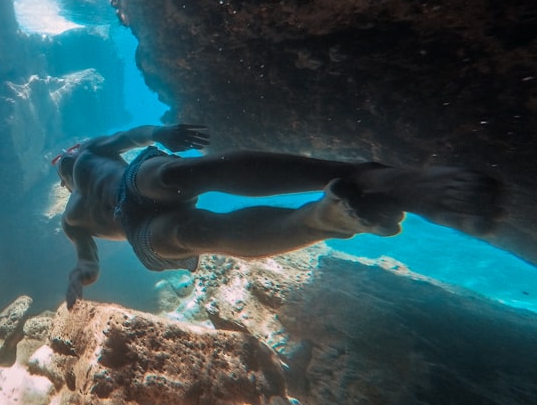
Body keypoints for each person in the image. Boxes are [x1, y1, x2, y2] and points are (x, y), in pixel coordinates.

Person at [54, 123, 505, 308]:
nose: (61, 164)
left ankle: (375, 178)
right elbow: (87, 260)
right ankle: (329, 217)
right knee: (201, 230)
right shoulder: (71, 219)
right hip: (138, 226)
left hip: (133, 182)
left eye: (61, 158)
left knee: (183, 173)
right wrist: (81, 277)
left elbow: (132, 135)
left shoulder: (88, 152)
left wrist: (163, 132)